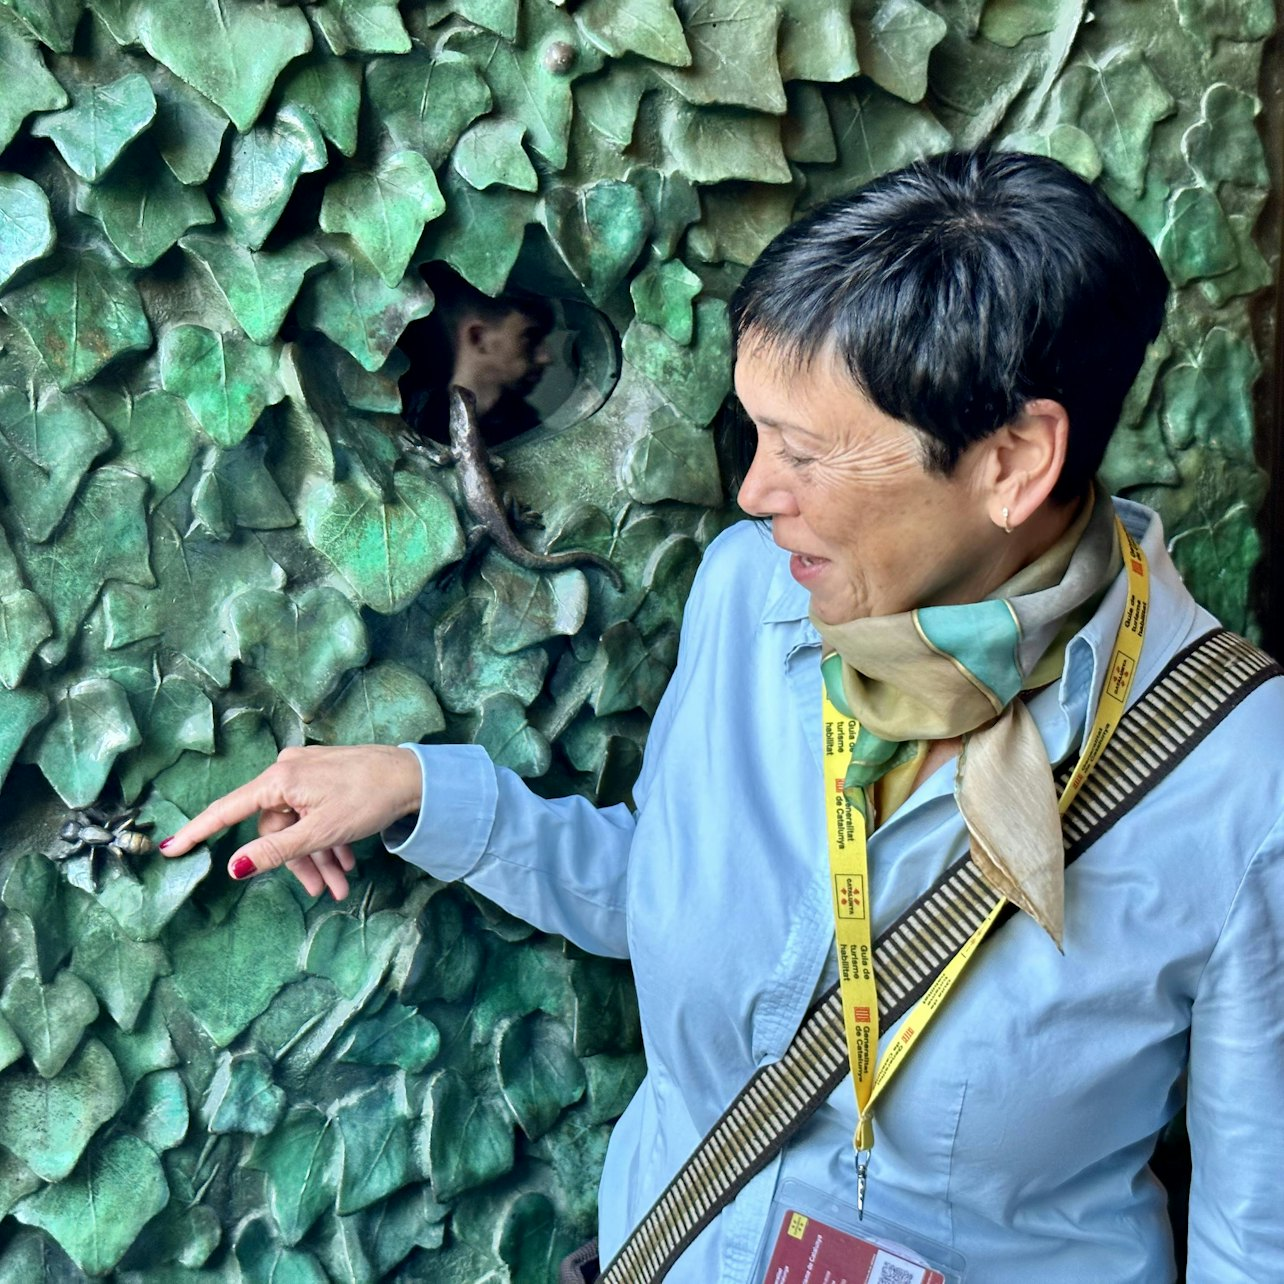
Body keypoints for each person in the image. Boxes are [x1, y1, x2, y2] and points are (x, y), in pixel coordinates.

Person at [160, 151, 1284, 1281]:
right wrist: (427, 793)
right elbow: (682, 896)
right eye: (756, 436)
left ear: (1014, 461)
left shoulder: (1244, 775)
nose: (753, 492)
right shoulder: (756, 590)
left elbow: (1256, 1241)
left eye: (802, 452)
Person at [400, 267, 555, 450]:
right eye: (530, 337)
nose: (546, 357)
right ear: (478, 337)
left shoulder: (533, 432)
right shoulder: (409, 418)